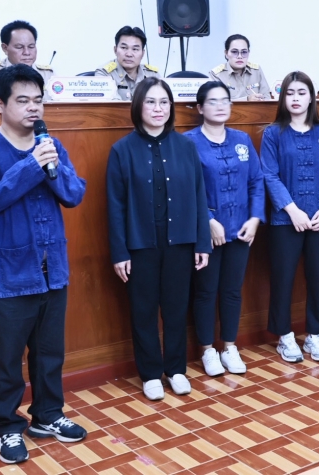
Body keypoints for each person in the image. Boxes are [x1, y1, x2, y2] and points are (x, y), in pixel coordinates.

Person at [0, 64, 88, 464]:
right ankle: (7, 426)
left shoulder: (51, 144)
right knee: (7, 358)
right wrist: (31, 166)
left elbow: (74, 194)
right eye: (23, 100)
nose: (34, 108)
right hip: (7, 274)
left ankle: (47, 415)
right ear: (0, 104)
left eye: (38, 100)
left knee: (50, 353)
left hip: (52, 269)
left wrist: (47, 165)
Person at [106, 78, 211, 400]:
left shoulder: (186, 146)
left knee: (177, 309)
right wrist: (119, 251)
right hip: (140, 245)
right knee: (144, 311)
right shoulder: (122, 150)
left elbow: (199, 196)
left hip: (180, 242)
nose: (158, 108)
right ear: (138, 106)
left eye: (164, 102)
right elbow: (115, 205)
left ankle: (176, 369)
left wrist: (202, 242)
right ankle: (151, 373)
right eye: (150, 102)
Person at [184, 81, 265, 376]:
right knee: (206, 291)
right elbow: (186, 189)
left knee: (232, 291)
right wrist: (207, 221)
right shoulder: (188, 143)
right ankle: (207, 350)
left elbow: (256, 182)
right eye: (213, 101)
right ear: (199, 107)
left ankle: (230, 346)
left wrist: (255, 218)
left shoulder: (242, 139)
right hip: (207, 233)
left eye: (225, 100)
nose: (220, 106)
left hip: (241, 230)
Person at [261, 71, 319, 363]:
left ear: (312, 97)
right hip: (286, 220)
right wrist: (291, 209)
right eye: (290, 93)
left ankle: (315, 335)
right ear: (283, 98)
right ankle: (284, 336)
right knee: (283, 278)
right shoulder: (273, 134)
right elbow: (269, 175)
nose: (295, 98)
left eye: (301, 93)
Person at [0, 21, 54, 104]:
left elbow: (59, 103)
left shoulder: (47, 74)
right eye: (19, 47)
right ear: (5, 48)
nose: (27, 52)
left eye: (31, 46)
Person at [95, 26, 160, 101]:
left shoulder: (152, 75)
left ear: (142, 53)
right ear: (115, 50)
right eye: (124, 48)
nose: (129, 54)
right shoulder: (104, 73)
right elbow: (111, 105)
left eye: (135, 49)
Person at [209, 34, 271, 101]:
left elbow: (267, 98)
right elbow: (218, 103)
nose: (240, 56)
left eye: (244, 52)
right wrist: (247, 100)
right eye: (234, 52)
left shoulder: (256, 70)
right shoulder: (216, 75)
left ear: (248, 53)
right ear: (226, 53)